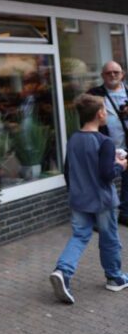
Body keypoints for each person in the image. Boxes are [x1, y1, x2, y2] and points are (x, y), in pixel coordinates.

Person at [49, 94, 128, 304]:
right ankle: (114, 277)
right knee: (109, 238)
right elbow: (106, 174)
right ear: (99, 114)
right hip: (102, 200)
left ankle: (62, 271)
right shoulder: (105, 142)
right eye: (105, 111)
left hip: (79, 198)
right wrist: (120, 165)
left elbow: (68, 171)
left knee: (80, 235)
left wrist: (74, 191)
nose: (107, 114)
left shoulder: (73, 139)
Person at [88, 61, 128, 226]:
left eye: (116, 72)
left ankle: (125, 213)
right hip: (105, 145)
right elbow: (85, 115)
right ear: (102, 76)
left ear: (122, 74)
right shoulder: (95, 94)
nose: (112, 75)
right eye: (108, 73)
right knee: (102, 180)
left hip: (126, 145)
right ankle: (99, 218)